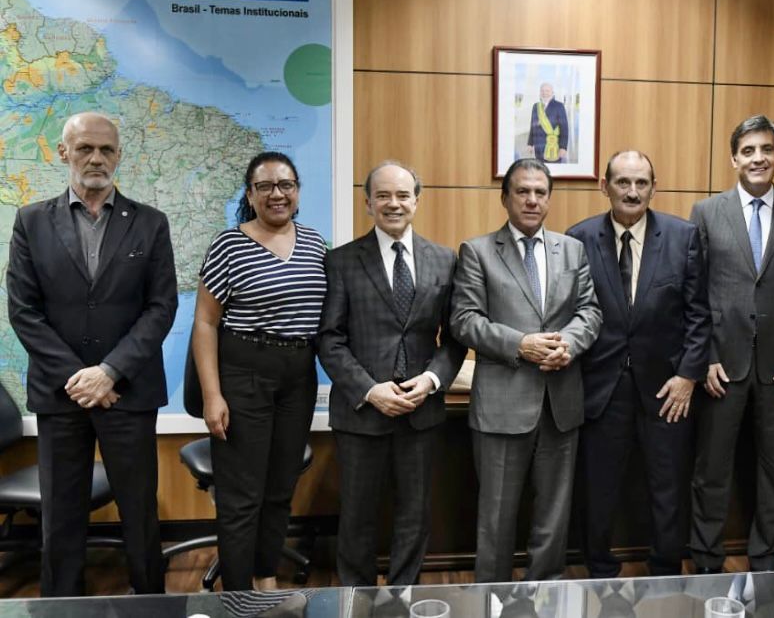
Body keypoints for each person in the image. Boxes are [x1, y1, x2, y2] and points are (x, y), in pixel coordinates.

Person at [6, 111, 178, 596]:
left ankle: (151, 603)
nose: (96, 158)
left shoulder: (151, 223)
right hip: (62, 398)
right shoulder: (31, 221)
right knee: (60, 516)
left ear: (119, 155)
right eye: (85, 149)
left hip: (129, 392)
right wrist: (80, 378)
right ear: (64, 153)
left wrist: (110, 372)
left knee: (140, 512)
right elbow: (24, 311)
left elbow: (161, 307)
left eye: (106, 149)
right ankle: (59, 607)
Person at [450, 158, 602, 582]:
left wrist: (568, 344)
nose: (532, 199)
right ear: (506, 198)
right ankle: (492, 597)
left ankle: (546, 593)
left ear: (549, 198)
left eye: (540, 192)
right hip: (502, 405)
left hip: (561, 402)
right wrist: (521, 344)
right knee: (496, 514)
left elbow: (590, 311)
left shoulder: (571, 249)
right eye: (523, 191)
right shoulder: (478, 250)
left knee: (554, 512)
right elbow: (465, 320)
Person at [318, 161, 466, 586]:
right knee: (358, 518)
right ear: (367, 203)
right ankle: (357, 601)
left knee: (414, 515)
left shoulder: (444, 259)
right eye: (383, 195)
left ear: (416, 201)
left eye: (403, 195)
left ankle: (403, 598)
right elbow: (329, 339)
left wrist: (432, 380)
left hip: (421, 412)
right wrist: (369, 390)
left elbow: (454, 338)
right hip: (362, 414)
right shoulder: (341, 261)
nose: (393, 203)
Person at [566, 150, 711, 577]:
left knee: (667, 489)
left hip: (667, 389)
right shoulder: (578, 238)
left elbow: (699, 315)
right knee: (599, 487)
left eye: (641, 183)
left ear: (653, 186)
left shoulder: (684, 237)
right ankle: (599, 569)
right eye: (623, 182)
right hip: (601, 388)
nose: (632, 192)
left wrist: (687, 376)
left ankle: (665, 570)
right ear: (604, 186)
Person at [688, 115, 774, 573]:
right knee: (711, 472)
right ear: (734, 158)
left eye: (766, 149)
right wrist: (703, 356)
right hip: (720, 367)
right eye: (748, 151)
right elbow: (695, 294)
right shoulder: (706, 213)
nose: (758, 158)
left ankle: (766, 561)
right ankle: (706, 561)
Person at [193, 151, 327, 591]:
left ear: (298, 193)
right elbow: (206, 322)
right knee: (241, 495)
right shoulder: (229, 245)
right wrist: (213, 396)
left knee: (279, 488)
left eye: (285, 185)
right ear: (250, 195)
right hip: (243, 372)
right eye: (265, 186)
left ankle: (266, 578)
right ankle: (236, 593)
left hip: (297, 377)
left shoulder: (315, 244)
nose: (277, 194)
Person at [526, 83, 569, 163]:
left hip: (553, 146)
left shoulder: (559, 106)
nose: (544, 93)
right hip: (538, 147)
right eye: (542, 91)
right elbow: (532, 127)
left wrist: (563, 147)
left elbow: (564, 128)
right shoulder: (535, 106)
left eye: (547, 91)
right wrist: (530, 144)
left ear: (552, 93)